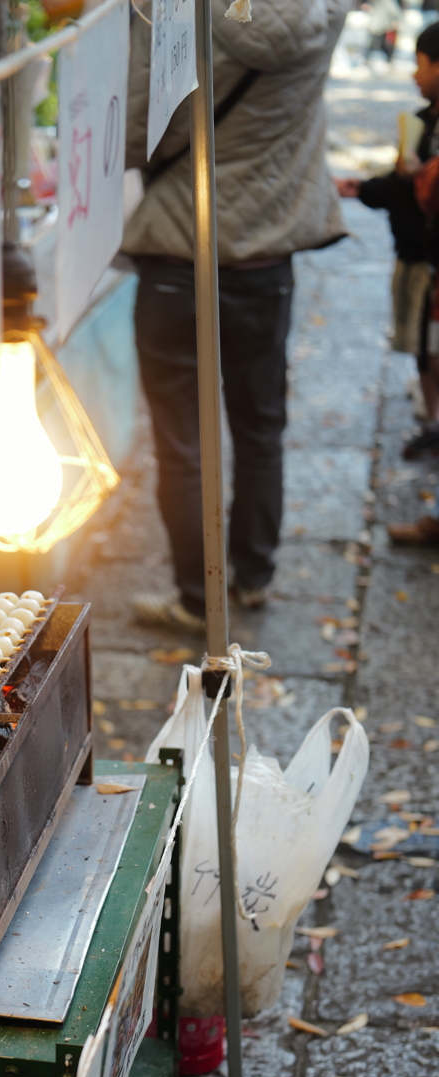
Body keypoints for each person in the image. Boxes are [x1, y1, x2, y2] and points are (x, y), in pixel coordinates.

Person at [123, 0, 348, 632]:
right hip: (265, 258)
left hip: (179, 253)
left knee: (183, 444)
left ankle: (198, 598)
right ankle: (252, 576)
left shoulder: (175, 14)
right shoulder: (325, 16)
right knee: (260, 428)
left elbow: (139, 133)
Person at [336, 23, 439, 488]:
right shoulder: (424, 121)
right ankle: (431, 423)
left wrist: (419, 177)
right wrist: (368, 188)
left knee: (429, 348)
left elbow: (416, 184)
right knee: (422, 349)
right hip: (417, 254)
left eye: (420, 64)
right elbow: (401, 182)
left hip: (428, 261)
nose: (415, 75)